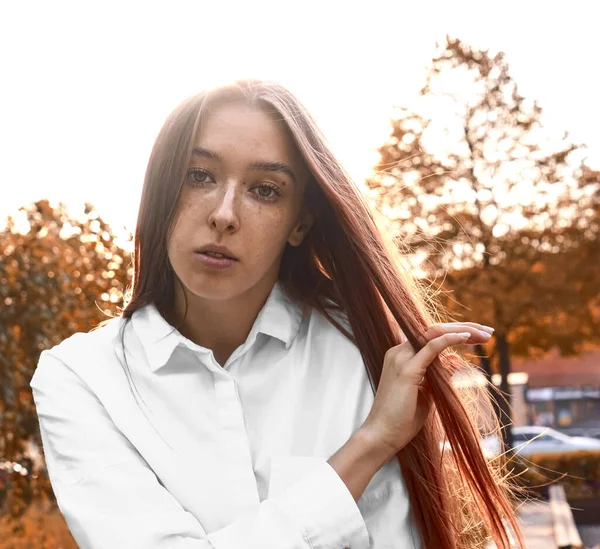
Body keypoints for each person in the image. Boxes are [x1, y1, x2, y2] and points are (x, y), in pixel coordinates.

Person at [29, 79, 524, 549]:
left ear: (299, 222)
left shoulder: (368, 352)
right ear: (162, 193)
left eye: (265, 189)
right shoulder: (80, 377)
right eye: (198, 176)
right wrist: (370, 444)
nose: (224, 213)